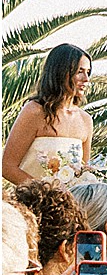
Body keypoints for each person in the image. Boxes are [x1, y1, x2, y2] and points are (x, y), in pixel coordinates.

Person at [2, 43, 93, 186]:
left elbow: (85, 172)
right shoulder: (34, 111)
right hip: (32, 202)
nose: (86, 79)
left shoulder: (85, 120)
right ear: (61, 72)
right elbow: (7, 167)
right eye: (79, 71)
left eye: (88, 72)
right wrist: (47, 193)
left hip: (68, 206)